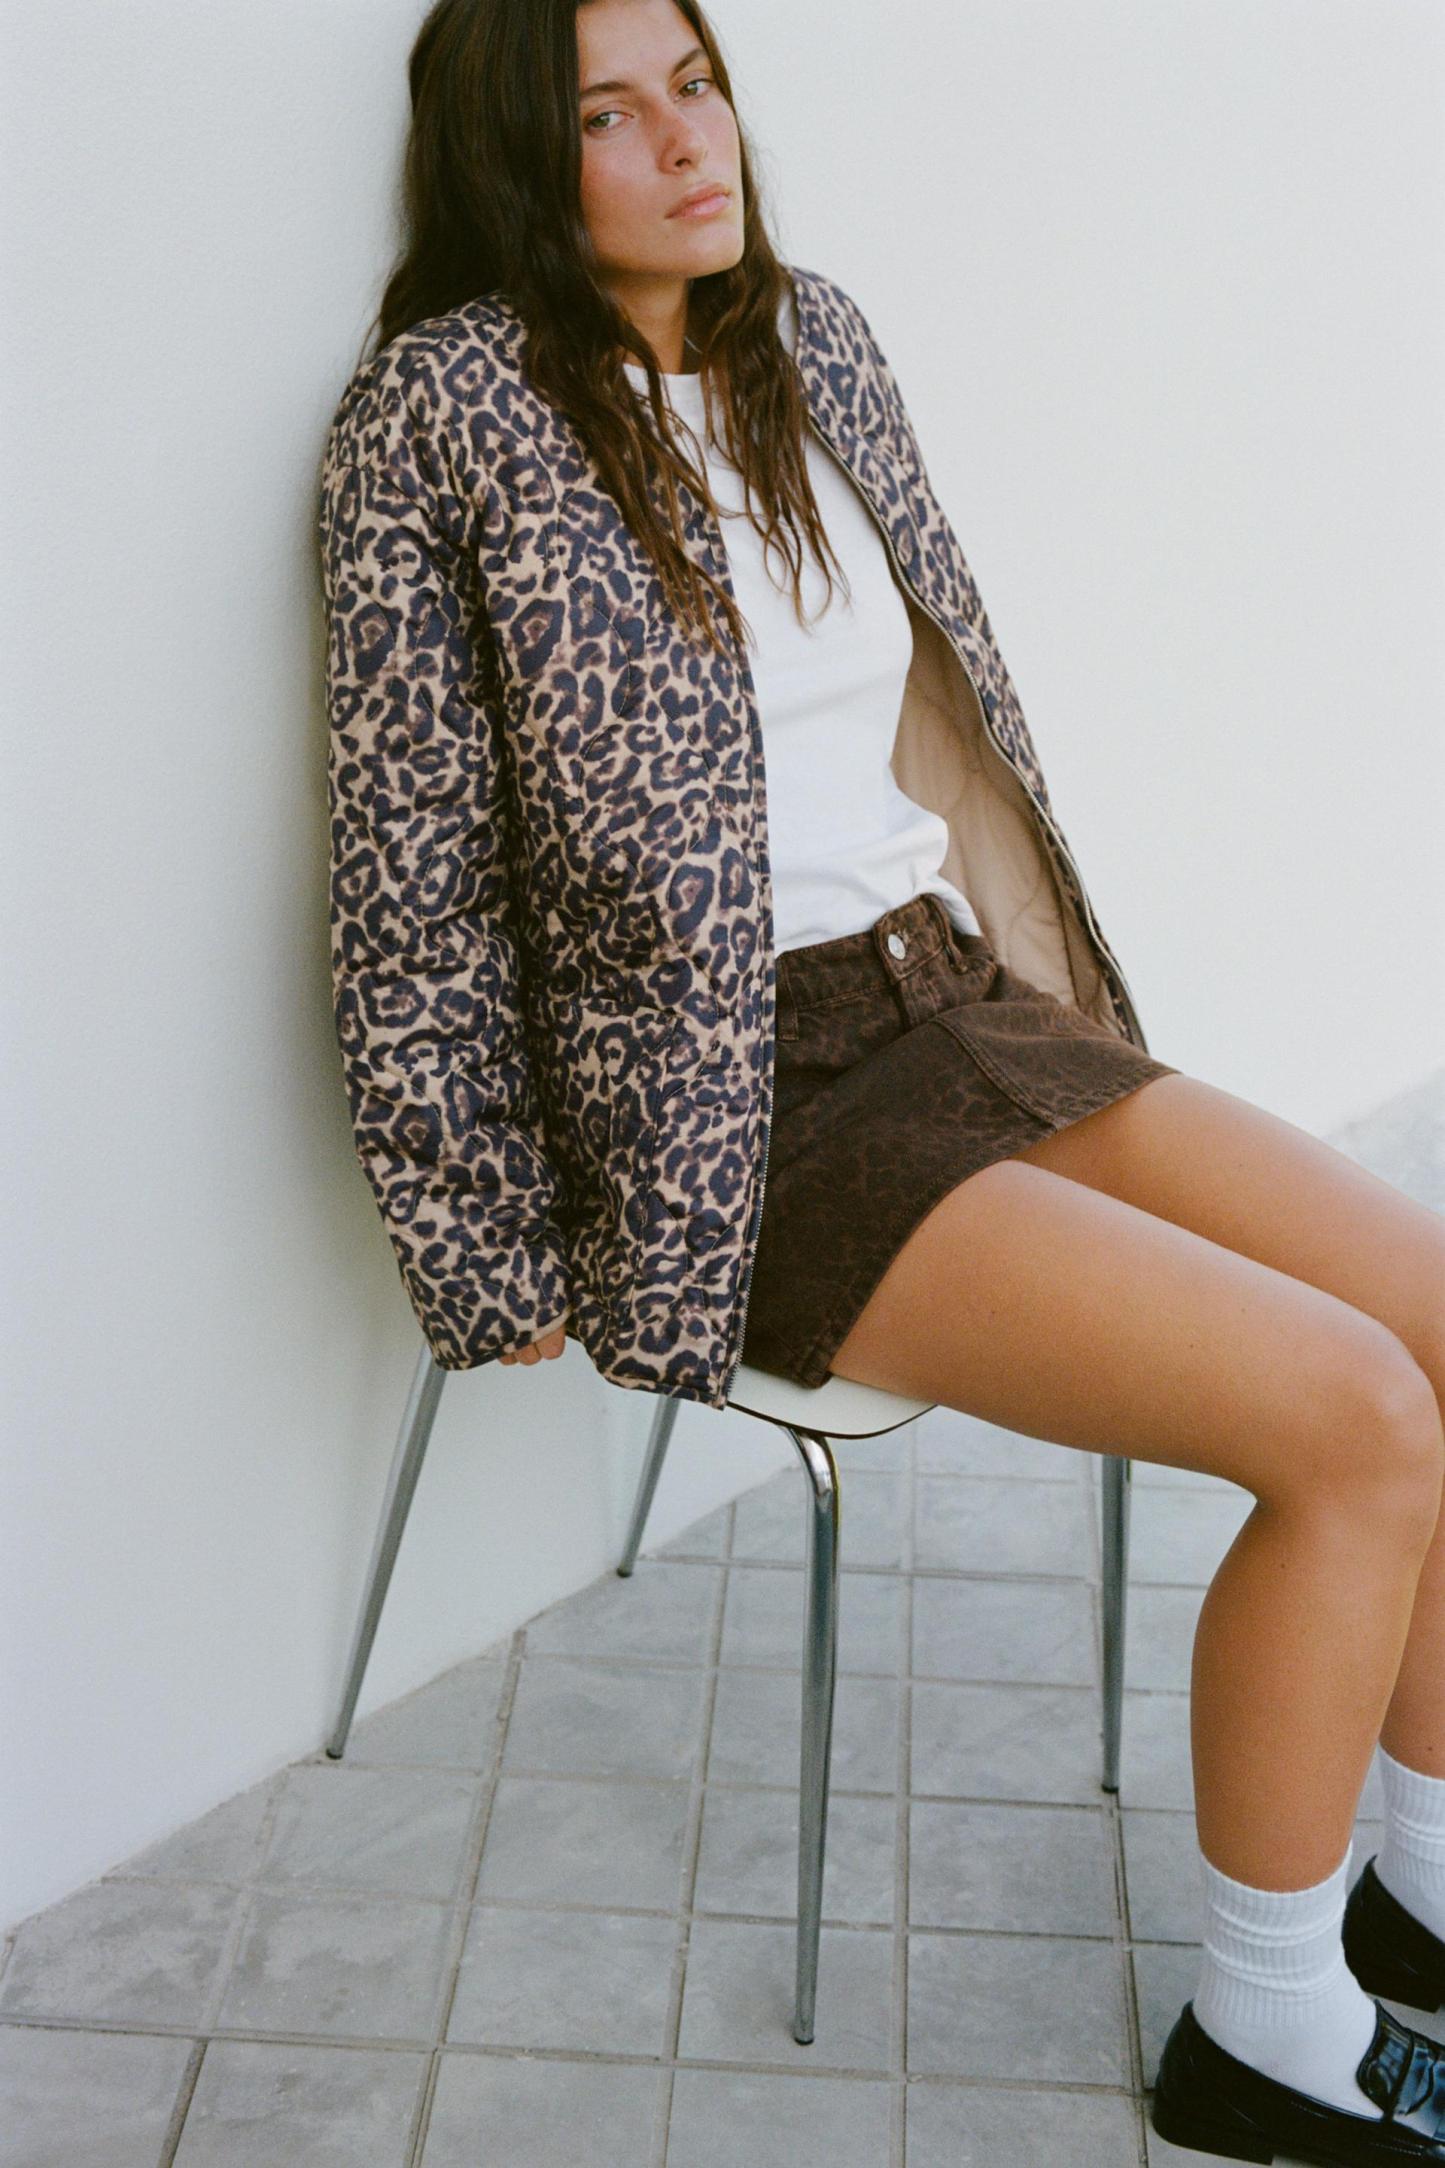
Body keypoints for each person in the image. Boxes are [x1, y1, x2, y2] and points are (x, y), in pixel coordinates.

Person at [316, 0, 1445, 2154]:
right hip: (735, 1102)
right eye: (606, 114)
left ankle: (1424, 1889)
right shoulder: (443, 413)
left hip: (953, 998)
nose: (686, 142)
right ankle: (1267, 2023)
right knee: (1358, 1420)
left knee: (1442, 1322)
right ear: (511, 161)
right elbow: (408, 864)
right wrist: (478, 1230)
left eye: (697, 83)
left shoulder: (808, 339)